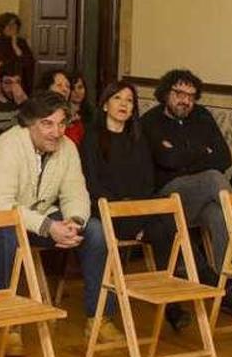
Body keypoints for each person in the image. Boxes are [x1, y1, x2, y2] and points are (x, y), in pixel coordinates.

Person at [0, 91, 121, 357]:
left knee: (95, 230)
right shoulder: (6, 147)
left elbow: (75, 192)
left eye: (61, 123)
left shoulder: (68, 148)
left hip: (38, 218)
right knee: (8, 233)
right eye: (47, 123)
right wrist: (49, 227)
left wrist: (73, 221)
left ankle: (100, 318)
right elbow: (2, 206)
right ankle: (8, 325)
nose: (56, 132)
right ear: (29, 123)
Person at [142, 69, 232, 308]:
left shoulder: (202, 116)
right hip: (167, 198)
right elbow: (166, 160)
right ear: (166, 92)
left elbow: (223, 157)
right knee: (211, 178)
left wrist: (181, 154)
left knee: (219, 215)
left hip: (200, 197)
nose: (185, 100)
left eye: (191, 95)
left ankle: (226, 285)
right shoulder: (150, 121)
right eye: (179, 93)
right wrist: (200, 152)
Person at [80, 81, 191, 330]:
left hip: (137, 207)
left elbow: (146, 181)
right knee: (154, 226)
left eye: (129, 101)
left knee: (168, 224)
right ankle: (172, 302)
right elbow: (91, 183)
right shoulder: (91, 138)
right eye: (117, 98)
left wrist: (135, 205)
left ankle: (170, 302)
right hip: (104, 208)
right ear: (105, 104)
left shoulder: (138, 138)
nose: (123, 104)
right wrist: (121, 206)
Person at [36, 68, 83, 144]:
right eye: (59, 85)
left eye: (67, 86)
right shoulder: (36, 113)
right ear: (47, 89)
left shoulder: (75, 121)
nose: (65, 89)